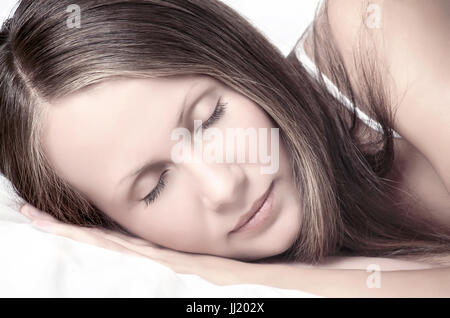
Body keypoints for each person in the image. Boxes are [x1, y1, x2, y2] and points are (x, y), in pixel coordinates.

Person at [0, 0, 449, 296]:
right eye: (155, 186)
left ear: (237, 58)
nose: (224, 186)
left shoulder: (372, 24)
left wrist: (245, 276)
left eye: (209, 119)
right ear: (117, 228)